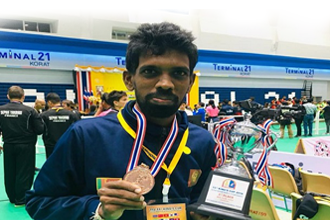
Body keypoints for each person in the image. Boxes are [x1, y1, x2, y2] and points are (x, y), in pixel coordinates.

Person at [26, 22, 217, 220]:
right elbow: (40, 202)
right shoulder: (86, 135)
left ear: (190, 82)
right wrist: (99, 210)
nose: (165, 84)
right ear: (129, 79)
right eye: (150, 72)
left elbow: (200, 201)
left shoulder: (202, 141)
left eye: (179, 73)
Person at [0, 86, 44, 207]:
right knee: (24, 172)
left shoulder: (1, 110)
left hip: (8, 145)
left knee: (9, 171)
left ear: (8, 96)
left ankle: (12, 197)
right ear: (23, 96)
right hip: (26, 146)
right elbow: (40, 130)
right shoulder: (30, 111)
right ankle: (21, 199)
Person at [41, 93, 79, 158]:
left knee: (52, 164)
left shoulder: (44, 115)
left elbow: (40, 129)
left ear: (49, 102)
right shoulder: (71, 114)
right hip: (67, 143)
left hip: (50, 145)